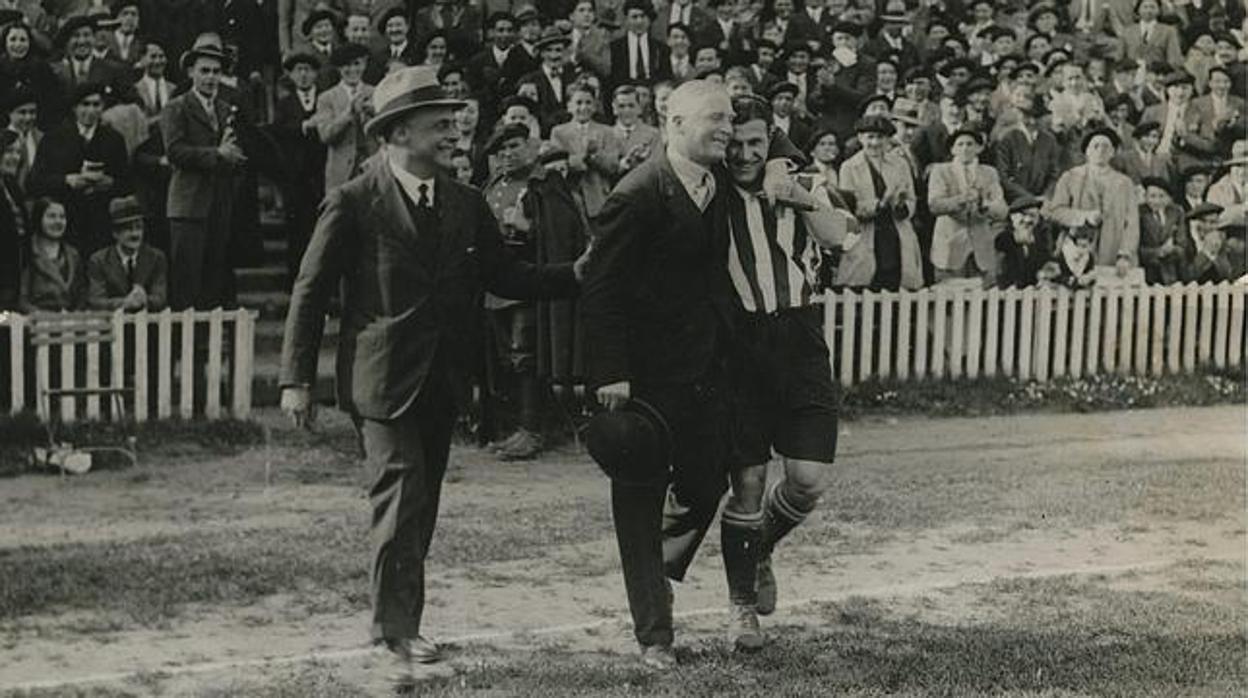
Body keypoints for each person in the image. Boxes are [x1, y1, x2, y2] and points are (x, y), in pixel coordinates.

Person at [280, 66, 582, 691]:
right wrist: (295, 379)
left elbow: (506, 279)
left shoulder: (466, 203)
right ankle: (397, 634)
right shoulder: (354, 200)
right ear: (398, 131)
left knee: (423, 507)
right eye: (440, 123)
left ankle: (397, 623)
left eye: (454, 121)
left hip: (445, 381)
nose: (455, 132)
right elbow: (309, 293)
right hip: (381, 382)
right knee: (401, 499)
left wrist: (573, 274)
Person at [580, 80, 800, 671]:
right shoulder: (638, 193)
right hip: (644, 383)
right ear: (672, 122)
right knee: (638, 502)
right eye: (714, 119)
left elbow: (770, 141)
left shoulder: (719, 181)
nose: (727, 130)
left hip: (707, 376)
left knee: (704, 486)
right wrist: (610, 370)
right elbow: (600, 290)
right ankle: (655, 633)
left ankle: (654, 567)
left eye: (731, 119)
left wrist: (779, 163)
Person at [715, 93, 854, 647]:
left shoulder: (801, 177)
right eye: (736, 143)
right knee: (746, 485)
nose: (746, 154)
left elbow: (838, 235)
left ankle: (763, 548)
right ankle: (740, 604)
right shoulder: (709, 189)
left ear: (771, 138)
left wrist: (793, 190)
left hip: (799, 335)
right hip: (738, 346)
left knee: (807, 479)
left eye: (757, 142)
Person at [162, 34, 247, 310]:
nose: (211, 78)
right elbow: (175, 152)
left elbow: (231, 154)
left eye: (216, 72)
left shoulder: (225, 109)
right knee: (186, 282)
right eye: (205, 71)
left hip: (219, 204)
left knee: (213, 280)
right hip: (188, 206)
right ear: (191, 72)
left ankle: (205, 347)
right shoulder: (176, 107)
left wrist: (235, 158)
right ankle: (184, 349)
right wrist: (218, 154)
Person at [27, 81, 129, 256]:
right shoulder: (54, 138)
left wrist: (109, 183)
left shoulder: (114, 139)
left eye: (96, 105)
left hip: (100, 222)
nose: (90, 110)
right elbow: (35, 182)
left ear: (103, 107)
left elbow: (127, 182)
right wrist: (66, 180)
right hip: (66, 221)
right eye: (85, 104)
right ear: (74, 108)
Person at [837, 114, 922, 290]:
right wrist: (881, 203)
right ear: (860, 138)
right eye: (870, 137)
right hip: (866, 235)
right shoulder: (849, 167)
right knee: (864, 285)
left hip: (895, 233)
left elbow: (911, 199)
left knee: (897, 284)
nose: (875, 143)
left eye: (880, 138)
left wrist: (901, 205)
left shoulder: (900, 164)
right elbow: (848, 207)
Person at [1045, 127, 1140, 276]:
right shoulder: (1071, 177)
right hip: (1078, 251)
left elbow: (1132, 223)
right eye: (1095, 146)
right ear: (1087, 151)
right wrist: (1083, 217)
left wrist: (1125, 254)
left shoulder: (1124, 183)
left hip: (1113, 252)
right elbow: (1056, 212)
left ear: (1113, 152)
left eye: (1106, 146)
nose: (1100, 150)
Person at [273, 51, 327, 286]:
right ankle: (295, 279)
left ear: (315, 73)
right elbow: (278, 133)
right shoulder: (285, 104)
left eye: (308, 70)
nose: (304, 75)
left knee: (322, 227)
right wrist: (303, 126)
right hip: (295, 176)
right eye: (298, 71)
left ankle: (322, 280)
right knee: (296, 229)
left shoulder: (325, 99)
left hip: (321, 173)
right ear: (292, 75)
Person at [926, 128, 1008, 282]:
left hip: (981, 248)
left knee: (982, 301)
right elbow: (934, 204)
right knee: (949, 299)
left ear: (979, 148)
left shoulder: (989, 173)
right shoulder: (941, 171)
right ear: (953, 149)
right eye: (960, 144)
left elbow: (1001, 209)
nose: (965, 148)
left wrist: (984, 204)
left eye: (970, 144)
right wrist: (962, 199)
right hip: (950, 247)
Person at [551, 81, 619, 221]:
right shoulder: (559, 132)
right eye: (578, 103)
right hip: (571, 194)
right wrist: (584, 156)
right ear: (569, 106)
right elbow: (559, 164)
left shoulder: (606, 131)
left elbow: (613, 166)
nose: (584, 107)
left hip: (599, 197)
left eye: (588, 103)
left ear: (595, 106)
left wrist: (594, 157)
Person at [86, 195, 167, 311]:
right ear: (115, 233)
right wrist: (125, 303)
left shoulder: (156, 258)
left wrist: (144, 300)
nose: (135, 234)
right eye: (128, 229)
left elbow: (160, 298)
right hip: (112, 325)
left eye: (139, 228)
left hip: (147, 325)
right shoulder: (99, 260)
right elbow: (96, 301)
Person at [316, 42, 374, 193]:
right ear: (338, 68)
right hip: (340, 172)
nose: (352, 70)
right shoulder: (327, 98)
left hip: (372, 168)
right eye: (346, 66)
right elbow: (325, 135)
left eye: (357, 64)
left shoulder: (375, 92)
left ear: (364, 65)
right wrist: (349, 113)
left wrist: (374, 113)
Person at [19, 197, 83, 312]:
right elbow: (21, 300)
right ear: (39, 219)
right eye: (51, 216)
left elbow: (81, 295)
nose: (58, 221)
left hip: (71, 323)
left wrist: (74, 316)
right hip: (36, 323)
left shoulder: (73, 254)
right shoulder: (27, 252)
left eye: (62, 217)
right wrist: (48, 318)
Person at [994, 195, 1054, 288]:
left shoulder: (1039, 241)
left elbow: (1044, 262)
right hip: (1003, 293)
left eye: (1033, 216)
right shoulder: (1003, 236)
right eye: (1024, 214)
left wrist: (1045, 272)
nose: (1028, 220)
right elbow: (1002, 243)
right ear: (1012, 217)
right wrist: (1017, 238)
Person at [1138, 176, 1186, 285]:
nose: (1156, 201)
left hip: (1172, 270)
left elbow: (1182, 244)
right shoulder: (1139, 213)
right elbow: (1136, 246)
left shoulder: (1176, 212)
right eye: (1152, 196)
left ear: (1169, 198)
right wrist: (1158, 252)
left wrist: (1173, 249)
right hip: (1148, 270)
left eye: (1161, 196)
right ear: (1145, 197)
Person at [0, 128, 25, 308]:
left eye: (18, 152)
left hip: (14, 274)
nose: (15, 157)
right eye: (9, 151)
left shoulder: (12, 186)